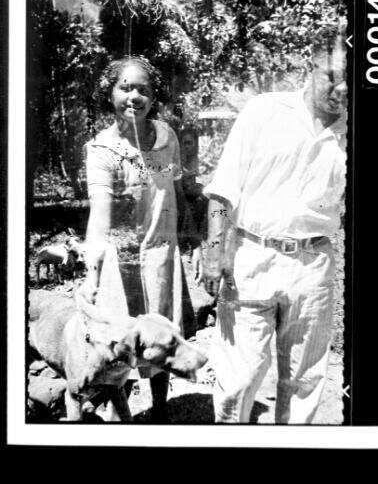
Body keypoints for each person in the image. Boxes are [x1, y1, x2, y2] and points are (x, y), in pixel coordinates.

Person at [202, 35, 347, 424]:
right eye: (333, 75)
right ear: (309, 66)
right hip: (252, 257)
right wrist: (215, 252)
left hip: (313, 265)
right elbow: (223, 187)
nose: (343, 87)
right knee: (239, 378)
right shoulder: (265, 111)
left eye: (352, 78)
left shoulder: (356, 131)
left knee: (304, 380)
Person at [78, 54, 199, 422]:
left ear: (154, 96)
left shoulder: (168, 138)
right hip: (122, 263)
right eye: (124, 88)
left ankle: (160, 411)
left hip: (163, 257)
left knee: (162, 334)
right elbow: (99, 217)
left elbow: (177, 193)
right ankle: (122, 419)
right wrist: (92, 272)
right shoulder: (102, 151)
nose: (134, 97)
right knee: (125, 344)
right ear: (109, 93)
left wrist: (190, 240)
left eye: (143, 90)